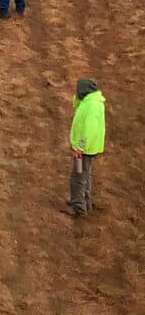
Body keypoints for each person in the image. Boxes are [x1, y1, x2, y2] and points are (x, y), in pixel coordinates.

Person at [69, 78, 105, 217]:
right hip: (87, 149)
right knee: (84, 175)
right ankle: (85, 202)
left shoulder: (91, 106)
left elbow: (89, 131)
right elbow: (76, 105)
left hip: (84, 150)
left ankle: (78, 208)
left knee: (78, 176)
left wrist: (80, 148)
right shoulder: (89, 102)